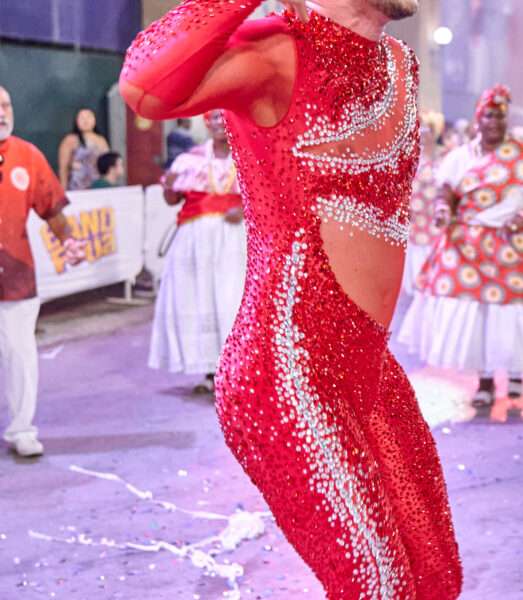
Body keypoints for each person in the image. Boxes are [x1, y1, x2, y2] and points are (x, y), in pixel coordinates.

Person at [120, 2, 462, 598]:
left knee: (433, 576)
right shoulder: (279, 53)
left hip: (368, 371)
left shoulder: (401, 64)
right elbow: (145, 89)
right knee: (378, 587)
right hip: (286, 377)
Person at [399, 85, 523, 408]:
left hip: (513, 245)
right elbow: (447, 194)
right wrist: (444, 210)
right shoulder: (460, 157)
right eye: (489, 116)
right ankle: (485, 382)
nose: (494, 122)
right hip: (468, 249)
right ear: (478, 119)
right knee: (479, 317)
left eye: (500, 117)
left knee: (514, 312)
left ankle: (515, 372)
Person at [0, 85, 86, 457]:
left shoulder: (28, 155)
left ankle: (22, 430)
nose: (2, 113)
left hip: (17, 276)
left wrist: (69, 241)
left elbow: (51, 209)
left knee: (20, 354)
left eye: (6, 105)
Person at [148, 110, 247, 394]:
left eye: (225, 116)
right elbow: (172, 198)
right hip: (194, 240)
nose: (218, 122)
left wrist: (243, 209)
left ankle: (237, 373)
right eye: (213, 117)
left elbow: (265, 196)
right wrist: (168, 183)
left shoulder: (249, 158)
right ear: (206, 122)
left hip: (233, 240)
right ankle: (209, 371)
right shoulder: (189, 158)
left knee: (231, 299)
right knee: (199, 299)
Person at [402, 108, 444, 296]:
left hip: (434, 222)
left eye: (428, 129)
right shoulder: (408, 159)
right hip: (413, 224)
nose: (424, 133)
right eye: (420, 129)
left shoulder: (444, 157)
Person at [57, 108, 110, 191]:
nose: (86, 120)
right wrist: (64, 189)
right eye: (82, 118)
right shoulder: (71, 139)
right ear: (76, 121)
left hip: (99, 185)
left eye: (88, 117)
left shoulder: (101, 139)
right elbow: (63, 167)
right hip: (78, 186)